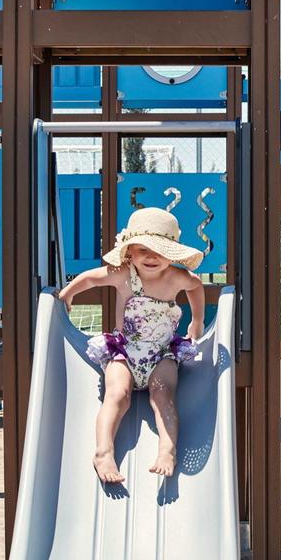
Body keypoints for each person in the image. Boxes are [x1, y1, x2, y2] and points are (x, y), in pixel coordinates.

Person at [58, 207, 205, 483]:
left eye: (159, 251)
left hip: (162, 354)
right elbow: (90, 278)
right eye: (142, 250)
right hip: (124, 352)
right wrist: (67, 295)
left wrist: (197, 322)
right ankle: (103, 452)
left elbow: (196, 286)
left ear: (171, 254)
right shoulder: (122, 274)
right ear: (129, 252)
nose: (151, 257)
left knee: (163, 394)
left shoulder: (176, 278)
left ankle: (167, 450)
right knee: (117, 394)